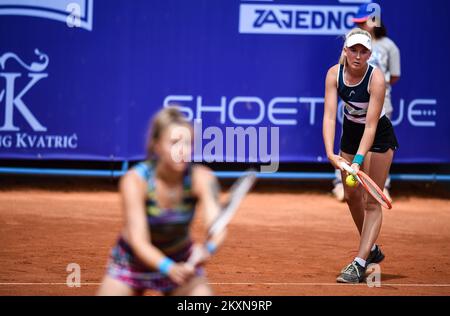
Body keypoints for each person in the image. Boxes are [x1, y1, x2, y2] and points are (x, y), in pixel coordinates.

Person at [97, 107, 224, 295]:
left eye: (187, 143)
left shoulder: (202, 178)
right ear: (156, 145)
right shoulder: (135, 181)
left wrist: (208, 249)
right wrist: (168, 268)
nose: (182, 150)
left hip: (180, 257)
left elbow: (217, 227)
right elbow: (139, 241)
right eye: (174, 143)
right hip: (132, 263)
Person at [322, 28, 399, 283]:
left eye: (363, 51)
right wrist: (330, 154)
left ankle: (359, 262)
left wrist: (356, 161)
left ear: (369, 53)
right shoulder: (334, 74)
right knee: (351, 195)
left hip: (377, 136)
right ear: (345, 50)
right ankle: (371, 248)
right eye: (353, 49)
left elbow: (371, 126)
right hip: (351, 132)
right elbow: (330, 116)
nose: (357, 55)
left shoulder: (375, 78)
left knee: (371, 201)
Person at [331, 3, 401, 203]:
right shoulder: (354, 41)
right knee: (349, 141)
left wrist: (377, 85)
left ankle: (380, 187)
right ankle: (340, 183)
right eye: (358, 22)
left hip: (381, 104)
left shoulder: (389, 46)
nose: (361, 25)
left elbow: (394, 76)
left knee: (378, 146)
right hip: (354, 105)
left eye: (364, 21)